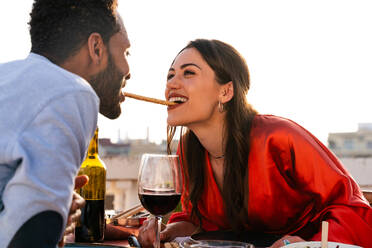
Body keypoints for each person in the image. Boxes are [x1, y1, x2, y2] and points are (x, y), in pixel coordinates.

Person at [137, 39, 372, 248]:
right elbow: (199, 222)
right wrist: (167, 232)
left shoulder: (278, 137)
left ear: (226, 91)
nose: (172, 84)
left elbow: (353, 209)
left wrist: (305, 244)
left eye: (188, 73)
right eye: (170, 75)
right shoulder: (189, 149)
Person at [0, 0, 131, 247]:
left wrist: (53, 210)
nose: (128, 70)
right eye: (125, 53)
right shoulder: (71, 91)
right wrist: (47, 218)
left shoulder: (8, 78)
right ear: (96, 48)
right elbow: (32, 236)